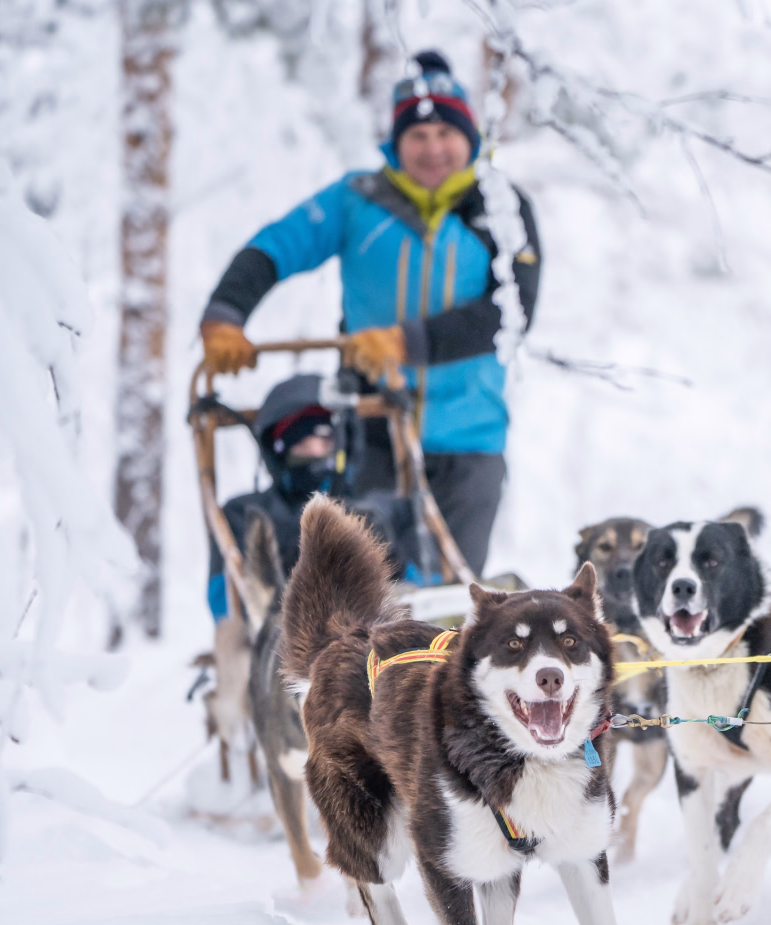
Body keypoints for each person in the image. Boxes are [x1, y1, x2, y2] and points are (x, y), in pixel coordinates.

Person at [197, 49, 540, 578]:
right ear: (396, 142)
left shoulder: (500, 207)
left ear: (468, 137)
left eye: (445, 134)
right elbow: (275, 247)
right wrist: (226, 315)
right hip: (369, 429)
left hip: (470, 436)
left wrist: (406, 342)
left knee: (453, 602)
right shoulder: (356, 200)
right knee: (366, 599)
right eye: (417, 137)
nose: (432, 149)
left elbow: (510, 311)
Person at [206, 374, 419, 622]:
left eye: (324, 441)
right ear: (278, 453)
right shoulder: (243, 513)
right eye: (302, 445)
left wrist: (387, 556)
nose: (315, 453)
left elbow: (426, 582)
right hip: (281, 638)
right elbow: (224, 606)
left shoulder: (383, 510)